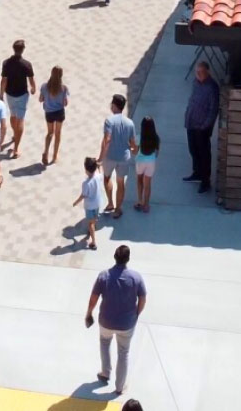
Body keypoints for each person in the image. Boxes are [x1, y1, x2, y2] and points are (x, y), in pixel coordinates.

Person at [86, 245, 147, 396]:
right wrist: (136, 314)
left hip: (106, 321)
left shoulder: (104, 276)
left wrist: (89, 313)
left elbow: (93, 297)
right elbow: (143, 298)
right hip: (127, 324)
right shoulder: (136, 278)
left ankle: (105, 372)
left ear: (114, 257)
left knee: (105, 343)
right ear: (128, 259)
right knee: (123, 353)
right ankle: (119, 387)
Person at [97, 94, 137, 220]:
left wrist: (100, 158)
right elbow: (132, 144)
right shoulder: (130, 123)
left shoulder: (109, 121)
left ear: (114, 106)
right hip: (124, 157)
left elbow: (107, 140)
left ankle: (110, 203)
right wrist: (135, 151)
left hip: (110, 156)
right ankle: (118, 209)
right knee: (121, 183)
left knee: (107, 178)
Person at [183, 61, 220, 194]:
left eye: (201, 72)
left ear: (207, 72)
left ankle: (205, 181)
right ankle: (197, 172)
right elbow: (192, 100)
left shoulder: (212, 87)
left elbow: (213, 109)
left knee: (204, 154)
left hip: (202, 127)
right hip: (191, 123)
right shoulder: (195, 83)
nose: (198, 74)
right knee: (193, 150)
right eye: (196, 72)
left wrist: (206, 125)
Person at [0, 39, 36, 159]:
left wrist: (1, 94)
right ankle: (16, 149)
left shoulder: (6, 63)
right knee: (20, 119)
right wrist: (33, 88)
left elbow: (4, 80)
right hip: (22, 95)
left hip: (9, 94)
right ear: (23, 50)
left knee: (13, 115)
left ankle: (15, 135)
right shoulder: (26, 64)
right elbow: (31, 79)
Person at [39, 66, 68, 166]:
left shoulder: (44, 87)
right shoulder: (63, 88)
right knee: (58, 133)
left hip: (49, 112)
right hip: (59, 112)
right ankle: (54, 156)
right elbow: (65, 103)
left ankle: (46, 152)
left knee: (50, 133)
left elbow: (40, 99)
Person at [73, 157, 101, 250]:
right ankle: (94, 225)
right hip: (97, 203)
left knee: (90, 224)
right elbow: (100, 171)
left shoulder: (86, 183)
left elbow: (83, 195)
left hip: (89, 206)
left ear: (86, 169)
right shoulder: (98, 176)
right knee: (95, 218)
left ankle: (93, 242)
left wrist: (76, 202)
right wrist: (99, 166)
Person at [134, 117, 160, 213]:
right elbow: (157, 153)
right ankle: (146, 205)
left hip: (140, 161)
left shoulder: (139, 137)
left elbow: (136, 151)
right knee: (147, 184)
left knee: (139, 180)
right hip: (151, 162)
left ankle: (140, 201)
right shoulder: (156, 138)